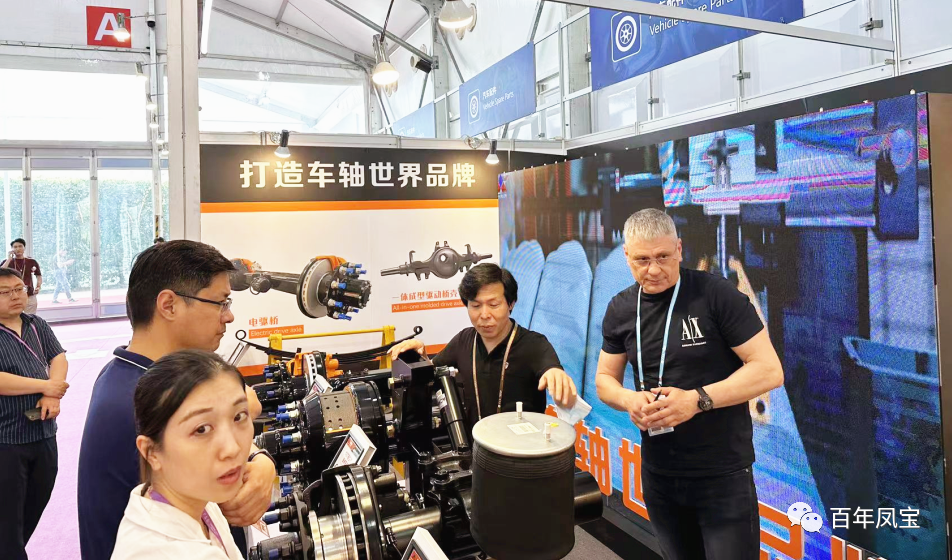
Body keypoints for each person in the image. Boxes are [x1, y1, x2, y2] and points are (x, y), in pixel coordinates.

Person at [595, 209, 783, 560]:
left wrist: (697, 400)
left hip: (722, 475)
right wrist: (629, 400)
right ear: (627, 256)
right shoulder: (621, 308)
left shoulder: (716, 295)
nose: (653, 269)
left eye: (663, 257)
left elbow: (768, 370)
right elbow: (605, 380)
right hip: (660, 473)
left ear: (679, 249)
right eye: (642, 260)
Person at [78, 240, 271, 560]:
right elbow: (233, 497)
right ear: (168, 305)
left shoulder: (122, 374)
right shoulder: (137, 401)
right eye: (220, 302)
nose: (229, 316)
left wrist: (259, 458)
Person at [388, 263, 577, 434]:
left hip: (523, 452)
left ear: (511, 304)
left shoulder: (534, 344)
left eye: (494, 305)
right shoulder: (463, 340)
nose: (484, 314)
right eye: (476, 305)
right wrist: (420, 357)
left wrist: (556, 374)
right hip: (476, 450)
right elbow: (433, 376)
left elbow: (550, 369)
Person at [111, 350, 254, 560]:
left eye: (239, 416)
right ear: (151, 452)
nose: (232, 448)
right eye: (202, 429)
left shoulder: (193, 499)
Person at [0, 267, 69, 559]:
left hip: (43, 431)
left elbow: (58, 356)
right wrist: (46, 386)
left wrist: (51, 393)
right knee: (7, 518)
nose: (16, 296)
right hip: (6, 438)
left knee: (35, 503)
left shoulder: (36, 324)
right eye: (5, 292)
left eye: (20, 289)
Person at [2, 239, 42, 314]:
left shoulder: (31, 261)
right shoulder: (7, 262)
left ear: (24, 248)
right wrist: (9, 259)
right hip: (12, 295)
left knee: (30, 317)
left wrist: (38, 286)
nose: (18, 249)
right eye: (15, 247)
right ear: (12, 249)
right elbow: (1, 272)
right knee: (14, 316)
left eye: (20, 246)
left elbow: (38, 275)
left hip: (29, 294)